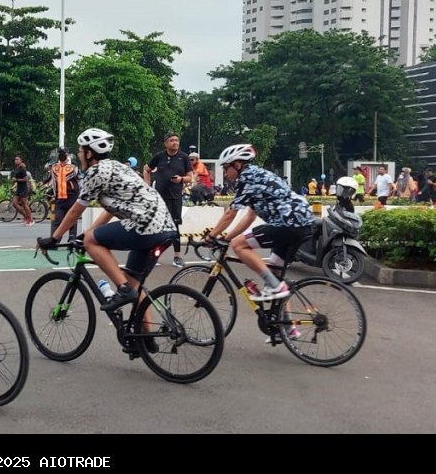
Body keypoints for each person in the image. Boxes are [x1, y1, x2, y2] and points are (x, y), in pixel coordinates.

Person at [37, 128, 178, 349]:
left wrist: (54, 238)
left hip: (145, 226)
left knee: (105, 258)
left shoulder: (96, 172)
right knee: (135, 283)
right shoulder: (116, 167)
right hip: (164, 227)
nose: (79, 155)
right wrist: (86, 234)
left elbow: (75, 211)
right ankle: (147, 340)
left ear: (90, 153)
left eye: (81, 151)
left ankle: (121, 289)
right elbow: (111, 209)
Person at [205, 144, 315, 304]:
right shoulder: (257, 176)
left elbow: (231, 212)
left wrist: (211, 236)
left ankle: (275, 287)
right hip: (301, 224)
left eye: (226, 167)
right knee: (276, 276)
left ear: (237, 164)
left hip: (288, 223)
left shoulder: (247, 177)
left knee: (239, 245)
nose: (224, 172)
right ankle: (289, 328)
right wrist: (226, 238)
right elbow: (249, 217)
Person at [142, 132, 191, 268]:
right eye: (172, 140)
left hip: (175, 197)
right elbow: (146, 169)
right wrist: (147, 185)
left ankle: (177, 256)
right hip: (159, 197)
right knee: (157, 225)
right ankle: (154, 255)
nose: (175, 142)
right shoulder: (159, 157)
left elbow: (190, 177)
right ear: (166, 143)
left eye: (177, 140)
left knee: (175, 227)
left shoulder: (184, 158)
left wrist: (181, 179)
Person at [49, 148, 80, 241]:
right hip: (60, 197)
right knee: (57, 220)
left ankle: (72, 239)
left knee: (72, 218)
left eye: (64, 154)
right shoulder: (54, 167)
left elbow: (79, 179)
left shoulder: (73, 166)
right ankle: (55, 240)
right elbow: (54, 182)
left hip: (72, 196)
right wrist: (55, 194)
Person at [10, 155, 34, 226]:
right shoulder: (17, 168)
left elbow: (26, 179)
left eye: (17, 159)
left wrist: (16, 180)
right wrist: (14, 182)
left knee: (24, 204)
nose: (16, 160)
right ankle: (25, 216)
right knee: (14, 203)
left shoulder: (23, 169)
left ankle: (31, 219)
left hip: (24, 188)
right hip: (18, 188)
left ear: (21, 160)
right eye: (15, 159)